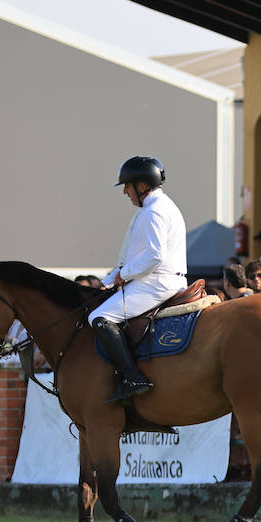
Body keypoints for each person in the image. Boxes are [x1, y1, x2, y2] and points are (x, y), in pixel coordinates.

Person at [91, 156, 188, 403]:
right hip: (158, 279)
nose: (125, 191)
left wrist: (122, 275)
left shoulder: (153, 212)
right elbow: (132, 256)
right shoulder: (158, 207)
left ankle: (133, 377)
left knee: (99, 317)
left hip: (157, 282)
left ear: (142, 186)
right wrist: (110, 279)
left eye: (127, 185)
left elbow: (155, 256)